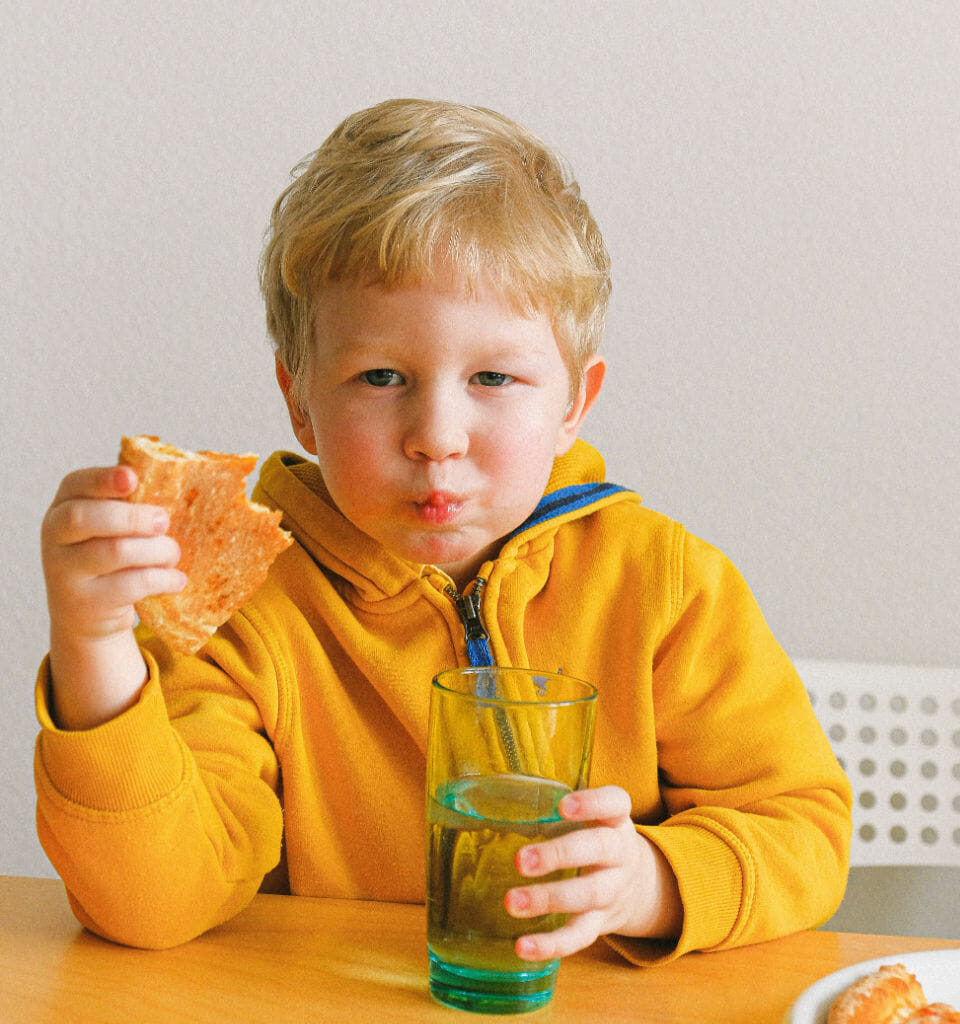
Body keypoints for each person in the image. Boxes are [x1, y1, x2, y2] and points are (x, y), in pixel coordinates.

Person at [36, 98, 852, 963]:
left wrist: (652, 881)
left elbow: (801, 826)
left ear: (574, 402)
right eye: (381, 375)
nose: (437, 434)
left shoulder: (665, 587)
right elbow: (153, 904)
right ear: (299, 401)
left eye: (494, 377)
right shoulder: (247, 609)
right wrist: (93, 648)